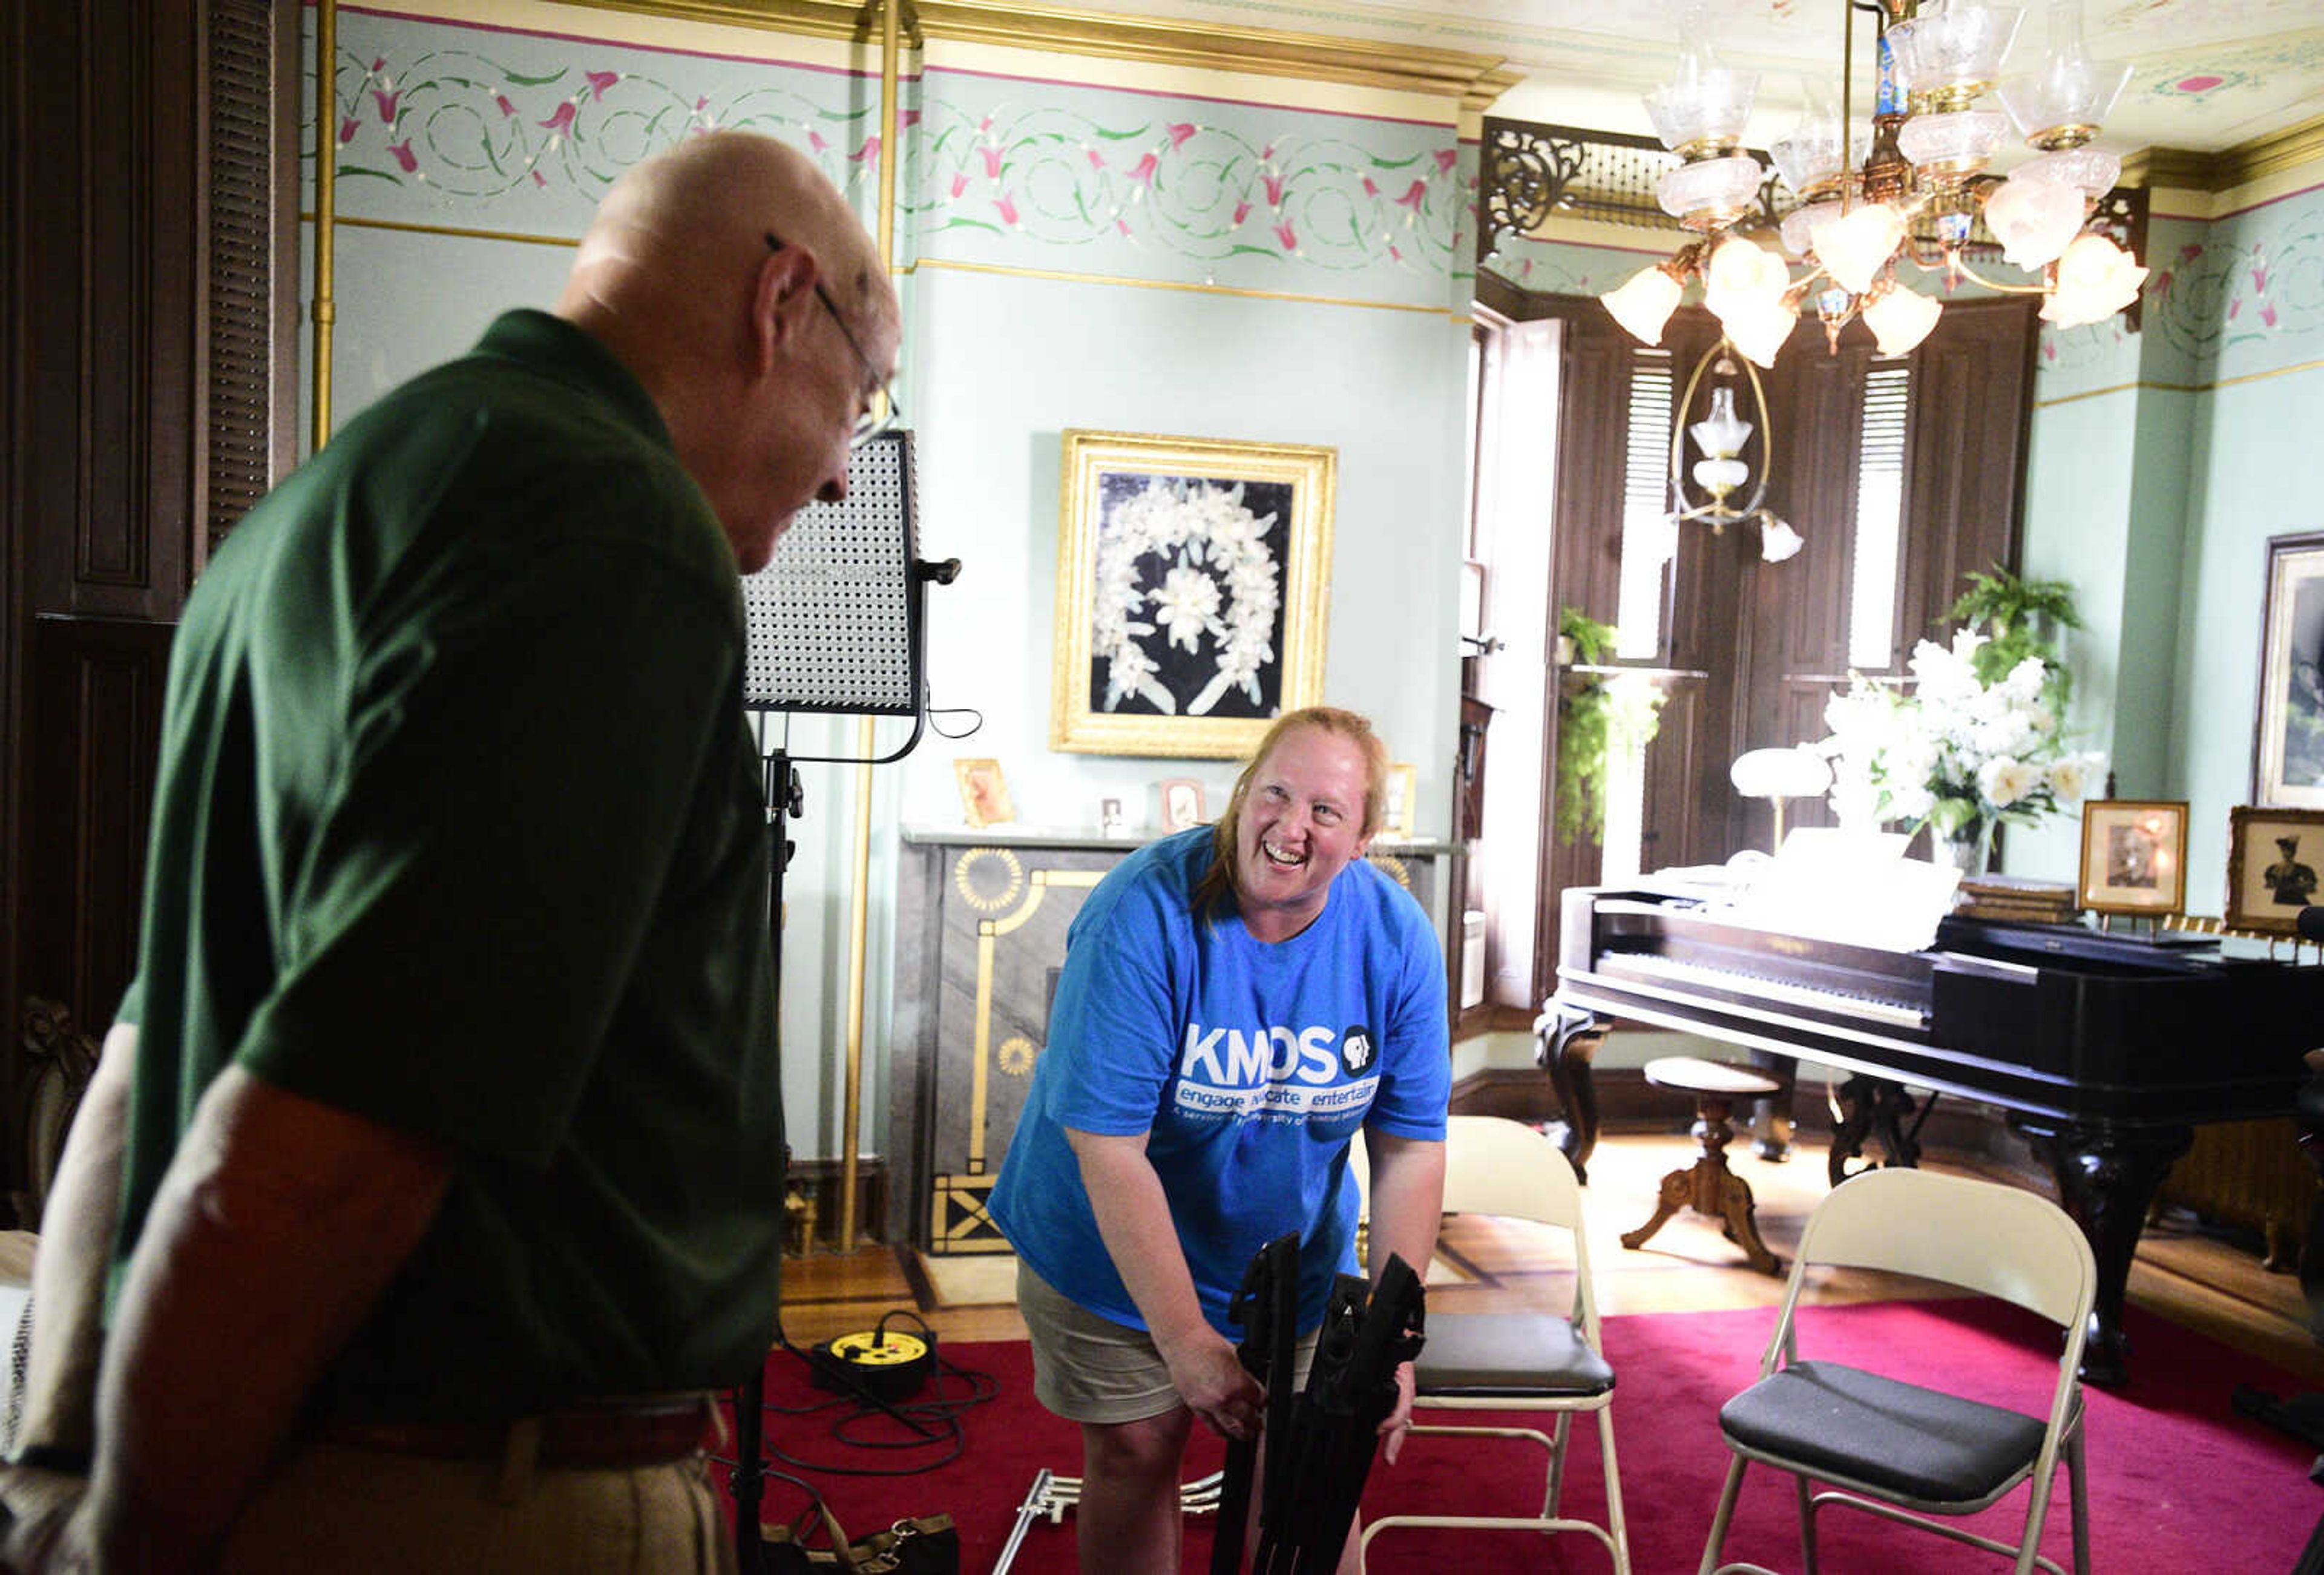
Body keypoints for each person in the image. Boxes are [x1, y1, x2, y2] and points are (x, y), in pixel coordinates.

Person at [0, 130, 899, 1571]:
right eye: (862, 401)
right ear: (780, 302)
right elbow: (323, 1155)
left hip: (267, 1460)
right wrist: (130, 1540)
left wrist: (65, 1463)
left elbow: (144, 1050)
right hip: (476, 1498)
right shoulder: (614, 525)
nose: (849, 476)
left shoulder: (311, 513)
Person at [989, 706, 1450, 1574]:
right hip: (1107, 1241)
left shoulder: (1395, 938)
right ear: (1243, 795)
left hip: (1286, 1251)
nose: (1290, 825)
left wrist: (1392, 1341)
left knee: (1308, 1475)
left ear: (1363, 837)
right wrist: (1188, 1342)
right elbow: (1108, 1148)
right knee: (1137, 1452)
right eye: (1275, 791)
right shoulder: (1141, 911)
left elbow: (1410, 1147)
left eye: (1326, 809)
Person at [2265, 834, 2319, 907]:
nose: (2286, 853)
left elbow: (2311, 889)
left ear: (2294, 851)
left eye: (2288, 849)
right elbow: (2270, 886)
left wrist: (2300, 886)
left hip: (2298, 903)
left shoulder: (2304, 870)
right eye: (2283, 849)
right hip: (2279, 904)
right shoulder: (2274, 869)